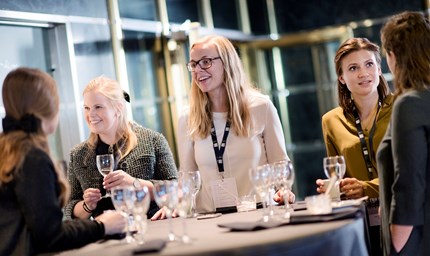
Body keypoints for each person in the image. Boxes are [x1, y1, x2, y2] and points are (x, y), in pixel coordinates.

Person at [0, 68, 125, 255]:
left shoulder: (7, 150)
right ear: (48, 107)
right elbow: (51, 236)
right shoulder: (32, 158)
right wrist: (102, 226)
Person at [175, 35, 293, 214]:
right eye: (193, 64)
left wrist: (284, 190)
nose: (198, 70)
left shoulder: (261, 107)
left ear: (227, 63)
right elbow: (187, 178)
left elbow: (280, 164)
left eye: (206, 62)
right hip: (210, 219)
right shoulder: (187, 117)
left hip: (260, 213)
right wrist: (177, 205)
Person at [63, 76, 177, 221]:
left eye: (98, 107)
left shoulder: (153, 140)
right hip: (104, 236)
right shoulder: (78, 154)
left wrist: (135, 183)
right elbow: (69, 209)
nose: (90, 114)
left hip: (151, 227)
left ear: (118, 108)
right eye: (86, 108)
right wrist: (87, 205)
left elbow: (175, 189)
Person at [377, 11, 430, 256]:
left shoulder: (408, 103)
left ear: (393, 55)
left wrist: (397, 243)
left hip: (415, 239)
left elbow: (409, 181)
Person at [316, 38, 393, 200]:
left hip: (404, 212)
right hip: (359, 217)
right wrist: (334, 187)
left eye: (369, 64)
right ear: (342, 78)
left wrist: (367, 188)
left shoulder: (401, 108)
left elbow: (415, 170)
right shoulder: (331, 121)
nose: (363, 73)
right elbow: (337, 177)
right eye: (353, 68)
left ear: (379, 69)